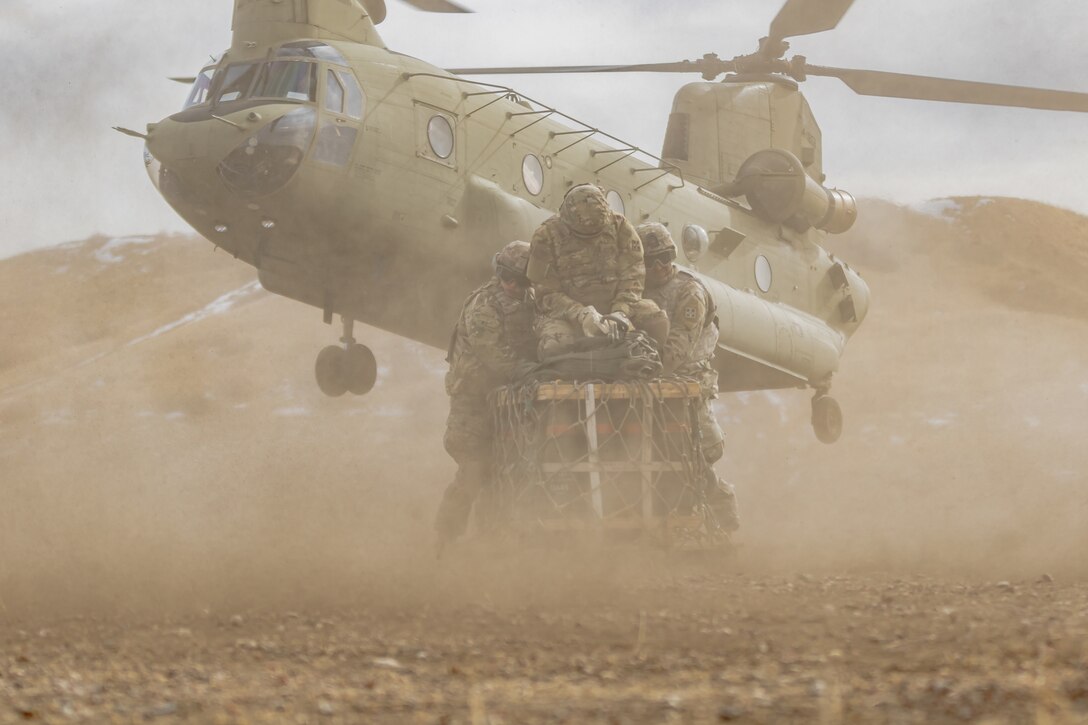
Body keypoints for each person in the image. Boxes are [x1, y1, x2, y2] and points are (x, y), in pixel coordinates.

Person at [434, 240, 537, 550]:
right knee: (475, 469)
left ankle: (493, 537)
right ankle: (446, 537)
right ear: (498, 274)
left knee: (507, 469)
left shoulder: (529, 300)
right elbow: (491, 352)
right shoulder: (483, 305)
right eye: (507, 277)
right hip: (474, 402)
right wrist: (528, 370)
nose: (512, 285)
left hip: (507, 401)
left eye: (520, 281)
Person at [637, 221, 740, 533]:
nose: (660, 267)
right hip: (650, 378)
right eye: (651, 260)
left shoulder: (688, 292)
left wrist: (645, 372)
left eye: (666, 257)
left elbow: (679, 347)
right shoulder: (636, 290)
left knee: (694, 451)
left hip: (687, 380)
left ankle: (719, 505)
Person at [527, 184, 669, 358]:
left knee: (656, 321)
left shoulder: (621, 227)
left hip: (616, 306)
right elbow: (545, 293)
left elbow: (633, 275)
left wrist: (620, 311)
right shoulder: (544, 236)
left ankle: (648, 369)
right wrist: (580, 313)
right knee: (555, 347)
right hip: (566, 314)